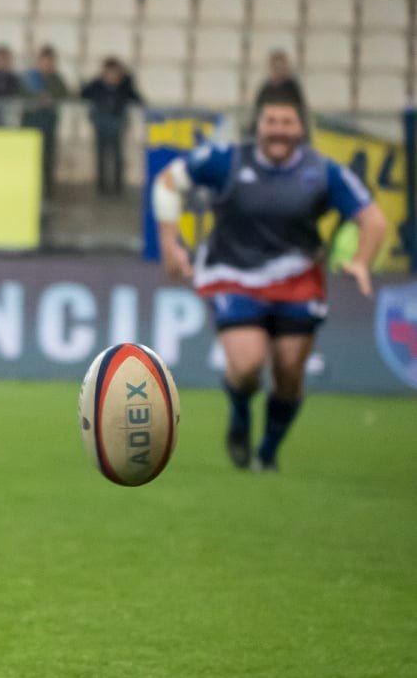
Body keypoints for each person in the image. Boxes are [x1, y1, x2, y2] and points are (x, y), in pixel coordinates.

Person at [154, 80, 387, 471]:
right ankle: (240, 415)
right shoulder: (227, 160)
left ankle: (267, 452)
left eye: (287, 121)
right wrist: (169, 244)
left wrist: (362, 260)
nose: (279, 129)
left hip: (297, 282)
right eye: (271, 121)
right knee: (247, 366)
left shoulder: (323, 172)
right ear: (257, 124)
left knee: (289, 375)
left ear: (301, 127)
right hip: (234, 274)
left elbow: (373, 220)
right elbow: (167, 183)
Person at [80, 57, 142, 196]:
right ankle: (101, 188)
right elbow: (83, 95)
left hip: (117, 125)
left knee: (117, 157)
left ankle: (117, 188)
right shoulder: (96, 85)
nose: (112, 76)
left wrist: (128, 80)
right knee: (101, 157)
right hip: (100, 125)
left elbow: (138, 99)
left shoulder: (123, 87)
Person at [22, 44, 70, 197]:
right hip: (31, 125)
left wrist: (50, 96)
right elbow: (22, 94)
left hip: (49, 124)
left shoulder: (55, 79)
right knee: (32, 159)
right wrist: (39, 98)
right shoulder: (29, 78)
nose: (47, 64)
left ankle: (47, 192)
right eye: (45, 61)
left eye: (50, 61)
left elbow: (64, 94)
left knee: (48, 159)